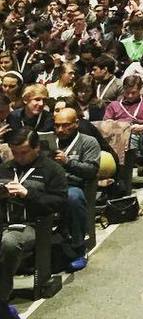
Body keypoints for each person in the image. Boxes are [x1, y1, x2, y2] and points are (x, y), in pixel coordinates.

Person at [0, 129, 67, 315]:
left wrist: (27, 194)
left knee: (9, 242)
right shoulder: (5, 168)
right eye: (15, 152)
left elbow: (59, 203)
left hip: (34, 225)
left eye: (24, 152)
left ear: (36, 147)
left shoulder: (52, 170)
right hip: (4, 222)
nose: (19, 157)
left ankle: (1, 299)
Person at [53, 107, 100, 270]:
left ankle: (79, 249)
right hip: (48, 185)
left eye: (65, 125)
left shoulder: (88, 142)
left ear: (76, 123)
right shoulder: (49, 141)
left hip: (74, 186)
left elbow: (91, 171)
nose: (60, 130)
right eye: (57, 125)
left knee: (73, 197)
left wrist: (68, 162)